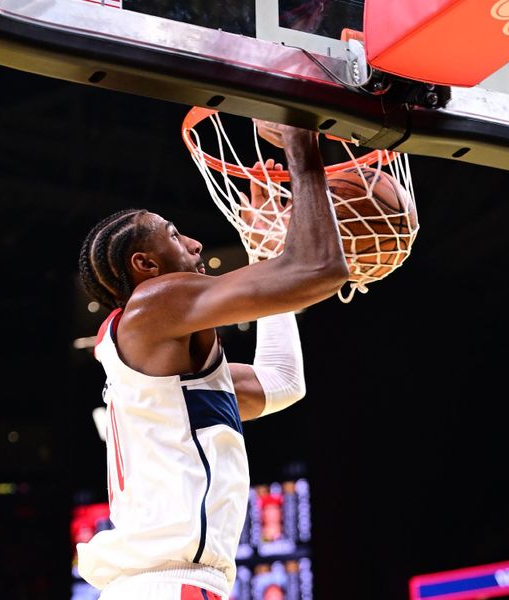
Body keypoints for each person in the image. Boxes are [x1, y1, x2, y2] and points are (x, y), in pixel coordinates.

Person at [75, 120, 348, 600]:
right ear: (146, 266)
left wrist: (265, 249)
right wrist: (301, 146)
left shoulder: (166, 373)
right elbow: (320, 269)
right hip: (166, 587)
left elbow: (283, 381)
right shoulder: (152, 303)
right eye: (174, 235)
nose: (196, 244)